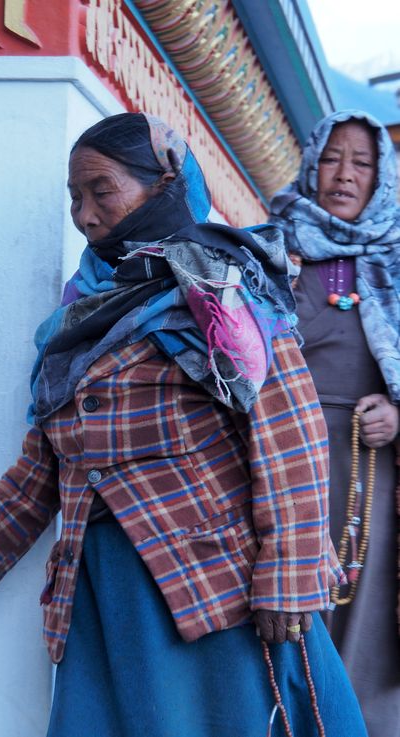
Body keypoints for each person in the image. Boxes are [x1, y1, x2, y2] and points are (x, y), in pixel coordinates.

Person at [0, 112, 367, 737]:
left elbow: (290, 438)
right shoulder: (81, 314)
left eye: (103, 190)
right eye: (74, 196)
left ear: (165, 184)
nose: (86, 213)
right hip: (106, 590)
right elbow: (45, 464)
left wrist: (288, 578)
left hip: (213, 590)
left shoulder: (223, 291)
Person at [269, 108, 400, 737]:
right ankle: (287, 718)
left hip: (369, 462)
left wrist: (398, 412)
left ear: (383, 178)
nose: (344, 174)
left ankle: (359, 723)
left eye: (362, 162)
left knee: (366, 600)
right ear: (310, 162)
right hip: (281, 453)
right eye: (331, 157)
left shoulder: (398, 258)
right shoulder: (270, 251)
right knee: (287, 590)